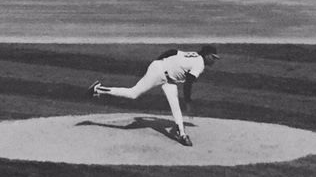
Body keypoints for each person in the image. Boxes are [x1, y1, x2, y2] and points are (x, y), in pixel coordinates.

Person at [87, 44, 220, 147]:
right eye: (213, 57)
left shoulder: (194, 55)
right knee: (133, 93)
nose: (214, 60)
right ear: (207, 55)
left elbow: (172, 51)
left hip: (169, 79)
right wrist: (188, 102)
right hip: (158, 72)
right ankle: (98, 89)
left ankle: (182, 134)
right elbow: (188, 83)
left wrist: (158, 61)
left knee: (175, 105)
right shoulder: (199, 64)